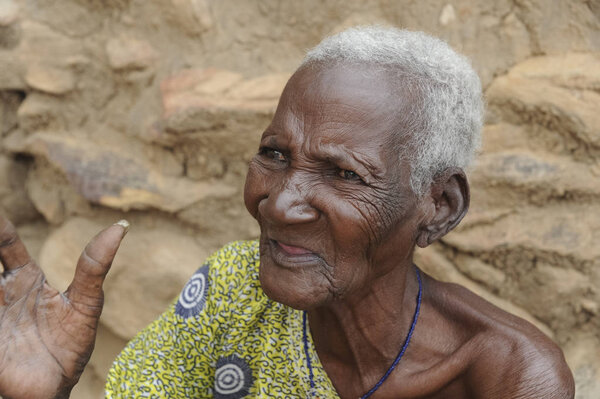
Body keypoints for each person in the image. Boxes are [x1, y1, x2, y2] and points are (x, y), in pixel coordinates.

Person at [0, 26, 574, 399]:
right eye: (275, 155)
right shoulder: (231, 292)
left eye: (344, 174)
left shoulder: (505, 376)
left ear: (439, 206)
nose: (278, 203)